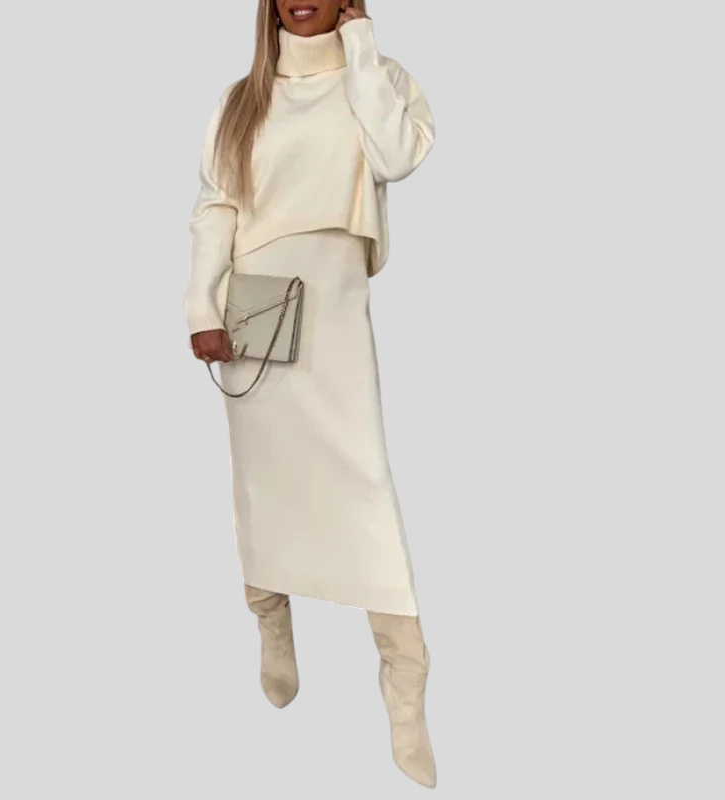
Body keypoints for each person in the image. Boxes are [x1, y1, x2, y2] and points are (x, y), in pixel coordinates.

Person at [184, 0, 436, 788]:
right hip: (255, 319)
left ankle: (405, 690)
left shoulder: (381, 78)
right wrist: (200, 310)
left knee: (363, 488)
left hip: (333, 311)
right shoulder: (241, 100)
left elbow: (395, 155)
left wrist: (359, 43)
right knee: (265, 491)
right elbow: (215, 209)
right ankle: (273, 624)